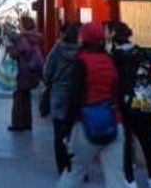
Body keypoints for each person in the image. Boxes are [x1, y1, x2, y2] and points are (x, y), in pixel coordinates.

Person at [58, 22, 124, 188]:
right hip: (114, 121)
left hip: (87, 123)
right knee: (115, 175)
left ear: (85, 38)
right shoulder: (110, 60)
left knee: (75, 171)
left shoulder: (81, 62)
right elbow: (117, 90)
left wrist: (65, 127)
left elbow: (74, 97)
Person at [111, 22, 151, 188]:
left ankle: (130, 179)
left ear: (113, 35)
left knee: (126, 141)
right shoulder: (141, 52)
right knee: (147, 141)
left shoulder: (115, 56)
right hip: (143, 99)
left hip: (125, 102)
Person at [43, 22, 80, 175]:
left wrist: (50, 81)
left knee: (59, 134)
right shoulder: (83, 51)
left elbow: (47, 71)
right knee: (77, 134)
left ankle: (63, 168)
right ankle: (77, 168)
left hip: (58, 96)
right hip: (78, 97)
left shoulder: (57, 49)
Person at [7, 15, 44, 132]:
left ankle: (17, 124)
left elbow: (16, 53)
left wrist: (11, 48)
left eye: (20, 24)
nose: (19, 26)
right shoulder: (34, 37)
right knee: (26, 98)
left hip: (22, 72)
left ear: (24, 25)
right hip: (30, 71)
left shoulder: (23, 39)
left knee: (18, 98)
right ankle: (27, 122)